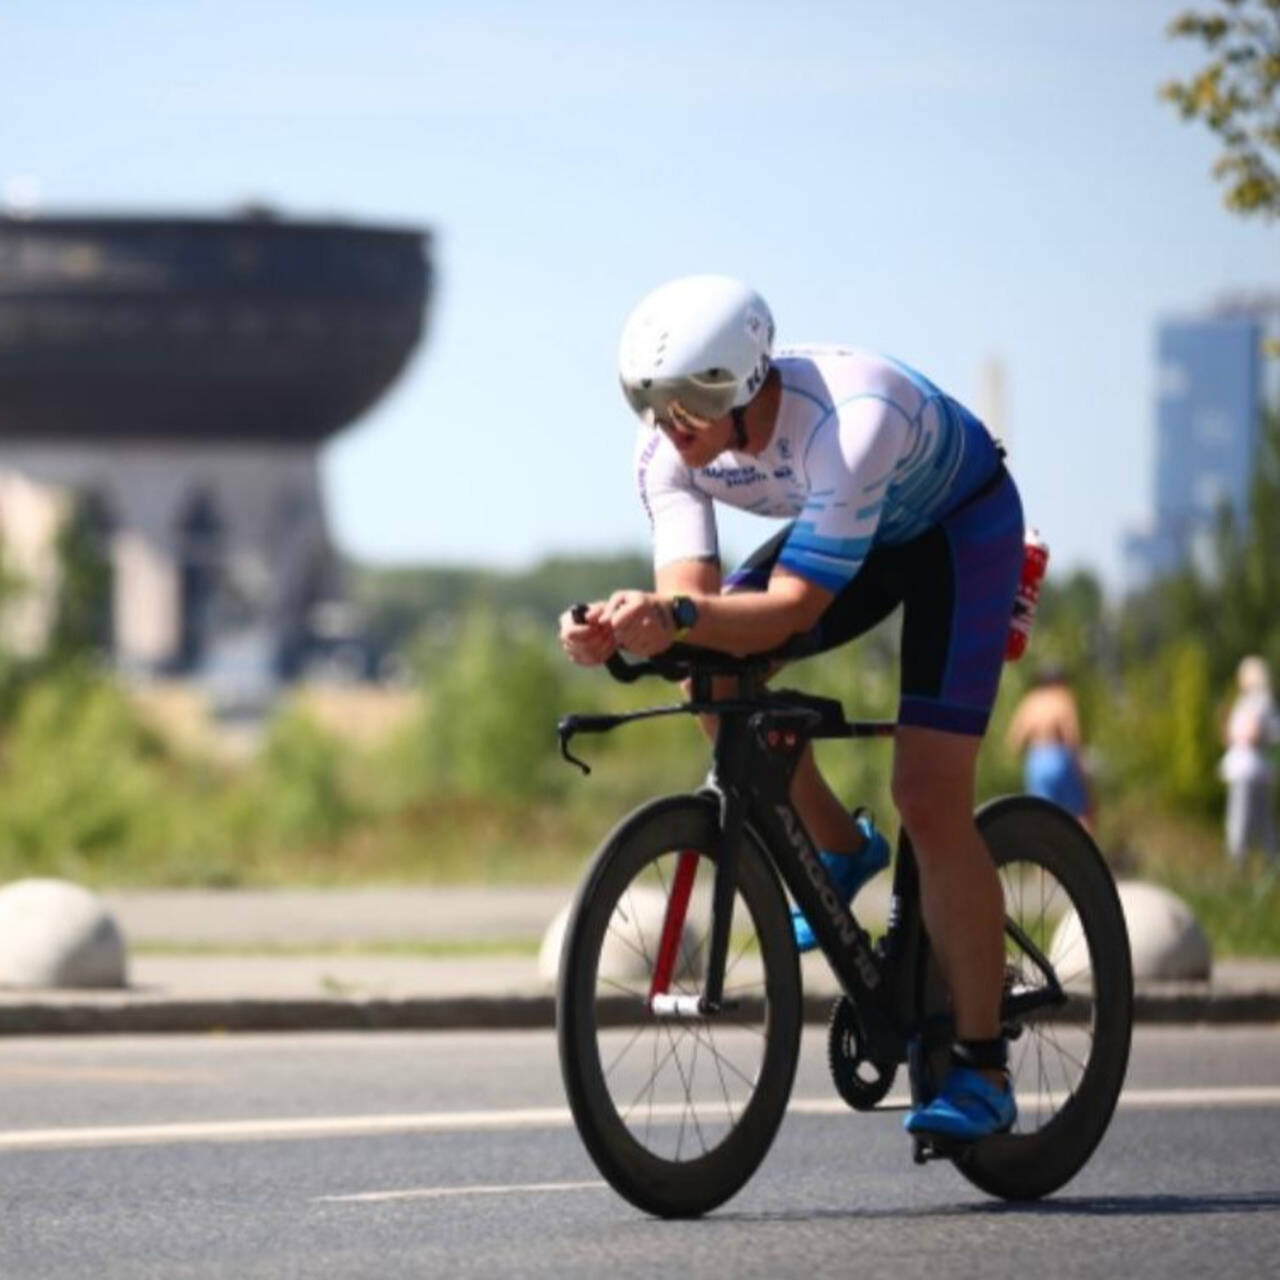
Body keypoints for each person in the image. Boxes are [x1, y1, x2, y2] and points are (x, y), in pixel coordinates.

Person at [559, 274, 1026, 1142]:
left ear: (739, 387)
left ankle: (983, 1065)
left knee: (928, 795)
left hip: (956, 535)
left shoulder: (850, 423)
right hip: (858, 530)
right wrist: (632, 630)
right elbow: (694, 611)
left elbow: (792, 612)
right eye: (654, 408)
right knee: (709, 677)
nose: (669, 428)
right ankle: (840, 850)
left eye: (687, 407)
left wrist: (678, 621)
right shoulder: (665, 451)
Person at [1005, 666, 1093, 829]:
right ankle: (1082, 851)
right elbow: (1072, 735)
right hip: (1059, 756)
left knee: (1042, 815)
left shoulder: (1030, 701)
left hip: (1036, 760)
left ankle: (1044, 852)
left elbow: (1014, 741)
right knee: (1080, 811)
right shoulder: (1062, 698)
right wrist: (1080, 765)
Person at [1219, 655, 1280, 867]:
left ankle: (1240, 864)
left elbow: (1252, 733)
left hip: (1249, 769)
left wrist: (1241, 734)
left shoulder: (1257, 701)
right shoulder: (1250, 701)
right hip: (1254, 769)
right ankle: (1267, 862)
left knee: (1242, 821)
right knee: (1262, 823)